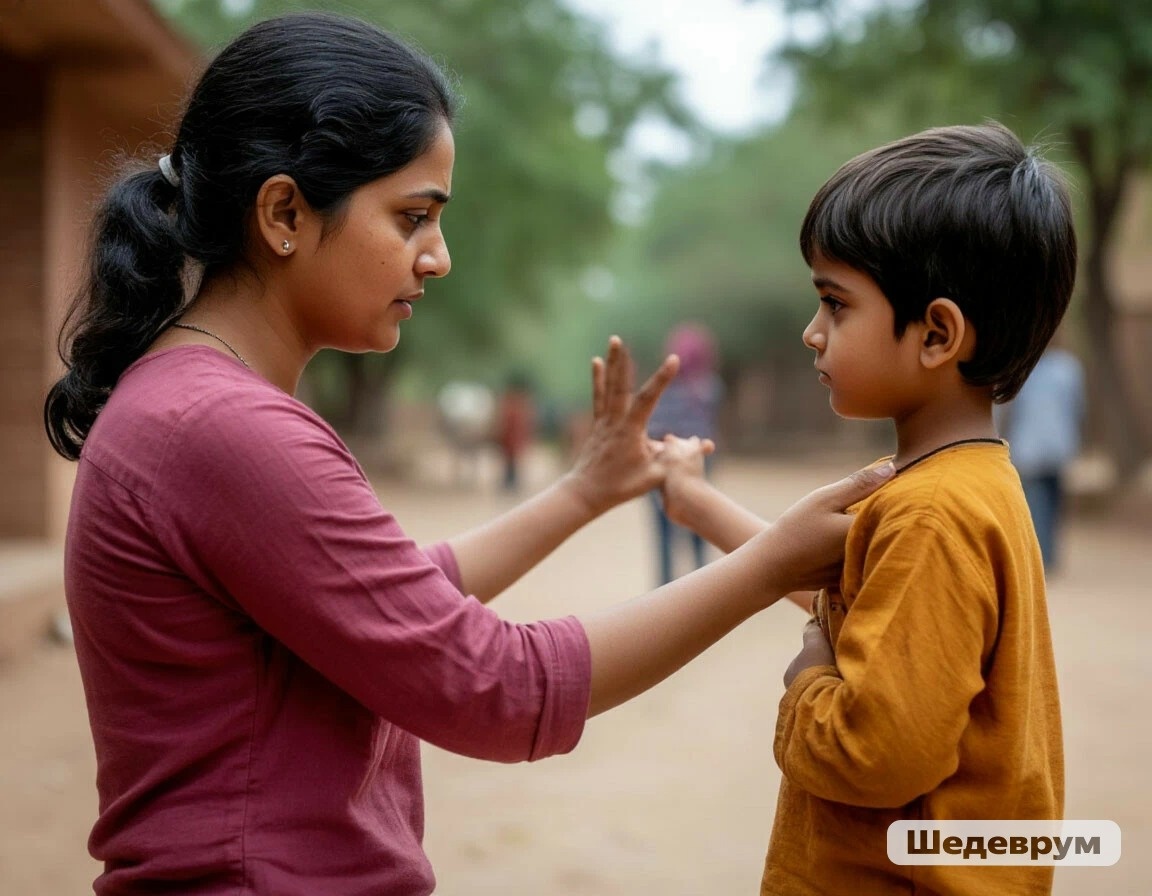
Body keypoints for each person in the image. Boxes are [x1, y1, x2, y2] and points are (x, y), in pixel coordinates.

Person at [41, 13, 894, 895]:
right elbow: (495, 686)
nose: (438, 258)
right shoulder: (224, 428)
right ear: (285, 212)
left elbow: (400, 600)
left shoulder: (194, 403)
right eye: (413, 217)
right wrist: (768, 565)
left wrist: (584, 490)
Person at [661, 122, 1073, 895]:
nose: (812, 333)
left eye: (835, 303)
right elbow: (843, 594)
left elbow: (876, 753)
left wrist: (806, 690)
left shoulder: (932, 514)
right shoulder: (960, 481)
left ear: (937, 334)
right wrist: (696, 502)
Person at [646, 323, 724, 584]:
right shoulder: (711, 388)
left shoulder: (662, 388)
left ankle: (664, 591)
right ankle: (702, 586)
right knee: (700, 528)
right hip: (698, 464)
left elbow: (653, 428)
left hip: (662, 466)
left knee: (665, 534)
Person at [1000, 342, 1086, 571]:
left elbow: (1006, 410)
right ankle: (1049, 555)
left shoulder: (1020, 371)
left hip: (1030, 446)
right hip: (1059, 445)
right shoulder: (1068, 368)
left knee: (1039, 504)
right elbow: (1078, 408)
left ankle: (1043, 557)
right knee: (1053, 501)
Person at [495, 370, 537, 493]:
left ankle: (511, 482)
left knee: (512, 460)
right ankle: (509, 481)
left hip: (512, 438)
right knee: (509, 460)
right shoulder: (514, 403)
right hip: (509, 438)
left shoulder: (515, 403)